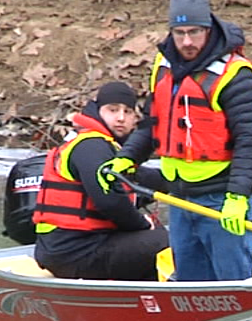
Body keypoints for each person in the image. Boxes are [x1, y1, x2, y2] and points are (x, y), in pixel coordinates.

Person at [115, 0, 252, 281]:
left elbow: (251, 141)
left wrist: (238, 196)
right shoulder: (163, 67)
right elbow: (152, 123)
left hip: (222, 200)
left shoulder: (236, 75)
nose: (186, 41)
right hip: (181, 199)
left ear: (208, 28)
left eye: (194, 32)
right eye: (179, 32)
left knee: (232, 284)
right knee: (190, 282)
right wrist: (126, 158)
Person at [31, 81, 168, 281]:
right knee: (171, 242)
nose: (121, 118)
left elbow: (144, 178)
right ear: (98, 111)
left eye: (128, 112)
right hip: (74, 251)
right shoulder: (91, 146)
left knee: (168, 234)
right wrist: (142, 225)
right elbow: (110, 201)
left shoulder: (110, 149)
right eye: (113, 110)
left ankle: (150, 297)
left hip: (88, 244)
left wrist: (189, 183)